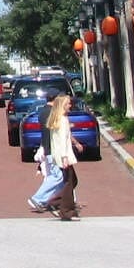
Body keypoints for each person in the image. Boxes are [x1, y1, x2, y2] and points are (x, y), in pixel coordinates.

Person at [27, 87, 64, 212]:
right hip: (52, 148)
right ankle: (37, 198)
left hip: (49, 147)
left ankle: (58, 201)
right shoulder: (50, 112)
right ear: (55, 99)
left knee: (60, 177)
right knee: (57, 176)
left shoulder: (43, 111)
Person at [48, 93, 83, 221]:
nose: (70, 105)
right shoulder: (62, 120)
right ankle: (66, 211)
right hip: (64, 155)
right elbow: (62, 140)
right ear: (62, 105)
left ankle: (56, 201)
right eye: (68, 103)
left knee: (72, 181)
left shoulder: (58, 119)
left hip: (60, 154)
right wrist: (64, 157)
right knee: (69, 182)